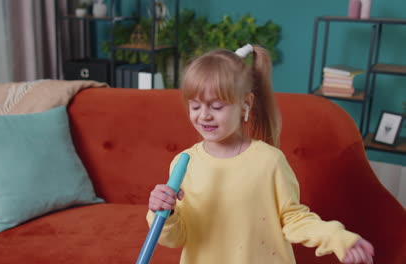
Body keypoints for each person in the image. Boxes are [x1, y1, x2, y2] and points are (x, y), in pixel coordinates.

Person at [146, 44, 375, 263]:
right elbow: (176, 238)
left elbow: (294, 218)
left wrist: (338, 238)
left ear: (245, 105)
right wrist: (164, 213)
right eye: (195, 106)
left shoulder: (270, 161)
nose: (204, 115)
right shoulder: (184, 164)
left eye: (216, 107)